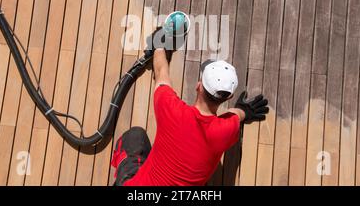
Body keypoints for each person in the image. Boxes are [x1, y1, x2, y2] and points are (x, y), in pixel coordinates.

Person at [111, 32, 269, 186]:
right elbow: (237, 115)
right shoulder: (226, 130)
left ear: (198, 86)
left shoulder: (171, 110)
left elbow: (160, 72)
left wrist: (159, 44)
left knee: (135, 136)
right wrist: (244, 111)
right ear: (227, 97)